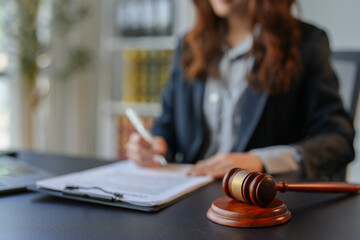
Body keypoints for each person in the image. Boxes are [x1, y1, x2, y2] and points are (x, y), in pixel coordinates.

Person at [125, 0, 355, 180]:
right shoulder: (188, 45)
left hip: (260, 201)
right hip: (188, 193)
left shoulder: (305, 43)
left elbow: (338, 139)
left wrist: (260, 161)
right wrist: (155, 145)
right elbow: (168, 123)